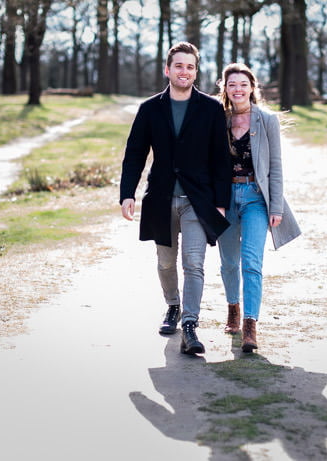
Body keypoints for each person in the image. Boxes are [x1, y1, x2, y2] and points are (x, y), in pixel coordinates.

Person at [120, 42, 232, 355]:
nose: (185, 72)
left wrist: (220, 202)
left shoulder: (210, 109)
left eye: (190, 67)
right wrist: (127, 193)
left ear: (196, 72)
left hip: (198, 201)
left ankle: (190, 324)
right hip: (161, 199)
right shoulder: (150, 109)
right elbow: (134, 154)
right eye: (179, 66)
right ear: (167, 70)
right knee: (166, 262)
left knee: (194, 263)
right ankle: (173, 305)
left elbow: (221, 159)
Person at [217, 63, 301, 353]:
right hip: (225, 199)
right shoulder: (219, 119)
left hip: (256, 198)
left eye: (243, 84)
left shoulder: (266, 120)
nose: (238, 89)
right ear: (225, 89)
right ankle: (233, 310)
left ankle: (251, 326)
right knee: (228, 262)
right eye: (232, 85)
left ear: (252, 87)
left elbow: (275, 166)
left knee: (251, 262)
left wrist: (275, 205)